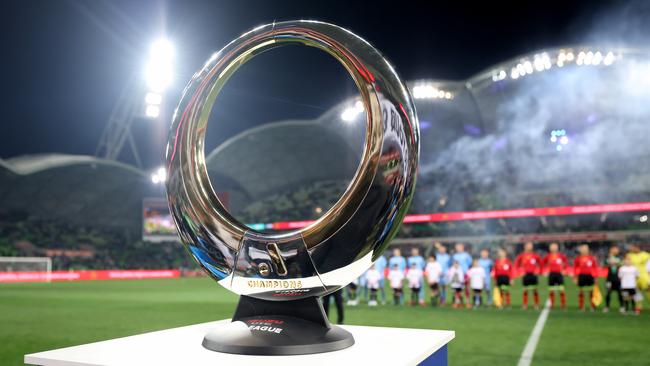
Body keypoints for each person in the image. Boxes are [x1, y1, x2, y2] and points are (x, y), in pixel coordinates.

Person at [515, 242, 542, 310]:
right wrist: (520, 272)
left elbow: (541, 264)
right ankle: (525, 304)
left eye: (531, 246)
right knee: (525, 290)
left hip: (533, 275)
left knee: (535, 290)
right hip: (525, 275)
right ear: (525, 246)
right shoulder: (521, 255)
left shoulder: (535, 255)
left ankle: (536, 304)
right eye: (528, 246)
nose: (529, 247)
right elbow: (516, 265)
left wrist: (538, 271)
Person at [542, 242, 568, 310]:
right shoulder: (547, 256)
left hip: (559, 274)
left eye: (554, 246)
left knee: (561, 290)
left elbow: (566, 263)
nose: (553, 248)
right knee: (551, 290)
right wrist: (545, 271)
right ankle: (552, 305)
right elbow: (542, 264)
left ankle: (563, 305)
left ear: (557, 247)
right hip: (551, 274)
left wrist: (564, 270)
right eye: (552, 246)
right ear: (550, 248)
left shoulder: (561, 256)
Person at [573, 244, 599, 312]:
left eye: (586, 248)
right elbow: (575, 268)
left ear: (588, 250)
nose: (584, 250)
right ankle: (581, 307)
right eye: (583, 249)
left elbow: (595, 268)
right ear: (581, 250)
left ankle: (593, 306)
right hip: (581, 276)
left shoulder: (592, 258)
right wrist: (575, 277)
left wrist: (596, 277)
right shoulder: (578, 258)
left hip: (590, 276)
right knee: (581, 292)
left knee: (591, 292)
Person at [627, 244, 650, 310]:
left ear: (637, 248)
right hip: (634, 276)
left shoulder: (646, 255)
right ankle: (639, 306)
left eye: (633, 247)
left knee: (648, 289)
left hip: (645, 275)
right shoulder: (629, 255)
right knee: (636, 291)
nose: (632, 249)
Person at [604, 245, 624, 313]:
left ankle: (622, 306)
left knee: (620, 293)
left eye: (617, 249)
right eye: (615, 249)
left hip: (618, 279)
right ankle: (607, 307)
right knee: (608, 293)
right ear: (611, 250)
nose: (616, 250)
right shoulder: (607, 257)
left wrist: (616, 263)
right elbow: (604, 265)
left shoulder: (619, 257)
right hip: (609, 279)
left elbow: (622, 265)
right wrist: (610, 263)